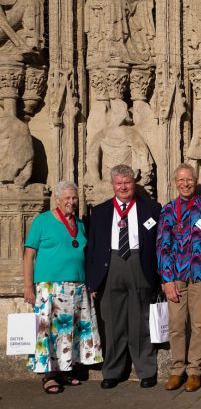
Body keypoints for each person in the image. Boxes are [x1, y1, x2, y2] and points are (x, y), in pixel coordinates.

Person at [86, 164, 163, 388]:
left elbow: (158, 242)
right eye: (118, 183)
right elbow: (92, 248)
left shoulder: (151, 208)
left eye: (127, 183)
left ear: (134, 184)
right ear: (112, 185)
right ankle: (113, 371)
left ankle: (146, 370)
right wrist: (92, 281)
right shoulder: (99, 212)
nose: (123, 187)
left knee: (141, 320)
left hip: (139, 264)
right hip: (111, 264)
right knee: (112, 321)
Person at [23, 181, 103, 393]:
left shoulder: (79, 223)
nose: (71, 202)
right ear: (57, 199)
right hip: (50, 286)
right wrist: (28, 286)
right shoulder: (43, 221)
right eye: (67, 198)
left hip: (77, 285)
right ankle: (49, 376)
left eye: (74, 198)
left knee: (70, 331)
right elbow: (29, 254)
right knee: (47, 329)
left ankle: (67, 370)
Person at [156, 164, 201, 392]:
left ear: (196, 180)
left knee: (200, 324)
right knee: (176, 324)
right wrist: (166, 279)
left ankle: (195, 371)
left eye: (189, 179)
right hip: (176, 275)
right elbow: (162, 245)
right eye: (181, 180)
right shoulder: (169, 209)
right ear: (175, 182)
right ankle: (177, 370)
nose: (185, 184)